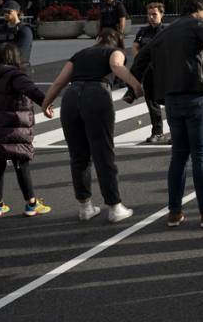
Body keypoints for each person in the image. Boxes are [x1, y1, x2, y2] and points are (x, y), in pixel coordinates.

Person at [130, 0, 203, 228]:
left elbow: (140, 60)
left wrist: (133, 87)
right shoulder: (198, 25)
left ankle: (175, 211)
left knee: (179, 156)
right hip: (197, 94)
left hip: (172, 99)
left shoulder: (164, 32)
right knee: (201, 155)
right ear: (200, 8)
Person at [41, 28, 141, 223]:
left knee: (78, 156)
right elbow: (116, 66)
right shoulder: (114, 52)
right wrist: (136, 85)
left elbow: (60, 81)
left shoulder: (79, 54)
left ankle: (85, 206)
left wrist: (46, 103)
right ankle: (114, 206)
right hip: (96, 94)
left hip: (71, 97)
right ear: (117, 43)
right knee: (103, 152)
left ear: (97, 39)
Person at [0, 42, 50, 218]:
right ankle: (31, 204)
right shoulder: (14, 75)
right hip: (12, 127)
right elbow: (31, 89)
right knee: (21, 163)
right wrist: (46, 103)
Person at [128, 2, 167, 144]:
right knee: (152, 102)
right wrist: (140, 60)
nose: (151, 17)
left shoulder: (166, 31)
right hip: (147, 71)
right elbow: (135, 46)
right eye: (149, 14)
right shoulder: (143, 31)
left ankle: (177, 132)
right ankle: (157, 132)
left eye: (154, 14)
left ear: (162, 14)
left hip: (163, 71)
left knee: (170, 102)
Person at [0, 1, 33, 68]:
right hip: (1, 68)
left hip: (19, 68)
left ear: (17, 12)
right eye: (4, 12)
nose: (6, 14)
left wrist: (9, 63)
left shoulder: (24, 30)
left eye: (9, 11)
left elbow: (22, 51)